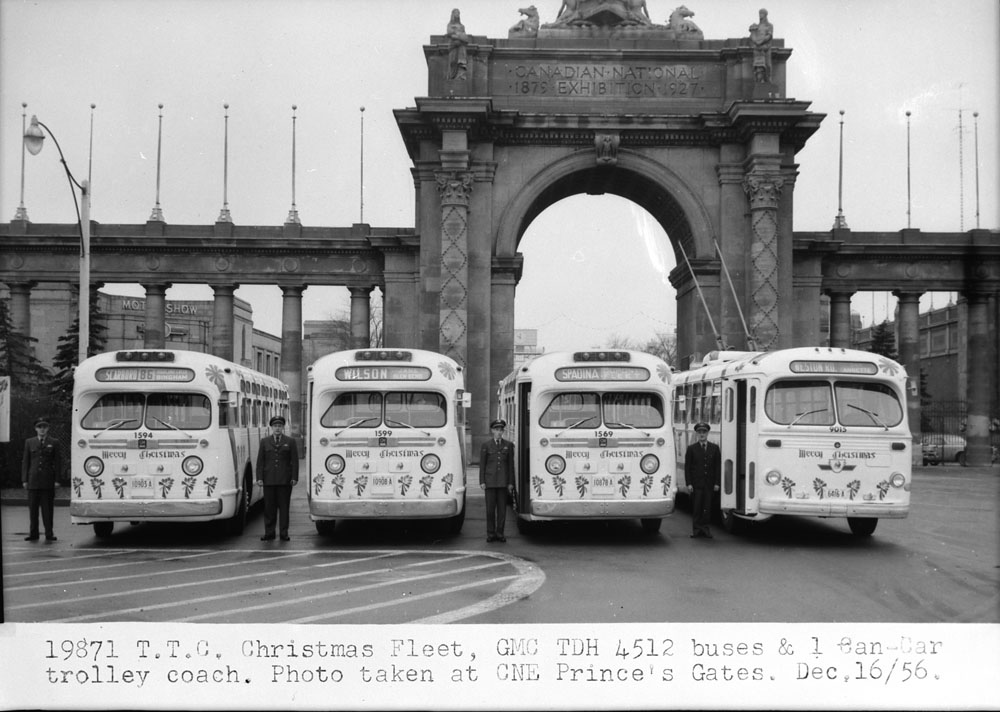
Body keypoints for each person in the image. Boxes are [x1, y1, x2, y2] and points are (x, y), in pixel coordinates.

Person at [255, 415, 298, 541]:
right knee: (269, 508)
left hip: (285, 480)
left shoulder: (290, 441)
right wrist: (259, 478)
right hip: (268, 481)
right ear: (271, 427)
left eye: (279, 426)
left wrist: (294, 477)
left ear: (283, 427)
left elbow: (294, 461)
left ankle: (284, 533)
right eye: (275, 426)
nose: (277, 428)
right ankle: (269, 533)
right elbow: (260, 462)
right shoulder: (265, 441)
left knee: (284, 508)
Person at [21, 417, 65, 542]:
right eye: (39, 427)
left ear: (48, 428)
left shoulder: (54, 442)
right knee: (33, 510)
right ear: (35, 428)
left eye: (44, 427)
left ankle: (49, 533)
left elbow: (57, 462)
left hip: (47, 481)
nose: (42, 429)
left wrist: (57, 480)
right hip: (33, 480)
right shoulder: (29, 442)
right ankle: (33, 533)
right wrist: (24, 479)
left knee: (47, 510)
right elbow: (26, 462)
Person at [479, 419, 515, 543]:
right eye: (497, 430)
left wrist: (511, 483)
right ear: (492, 431)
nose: (499, 432)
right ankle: (490, 533)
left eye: (501, 430)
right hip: (490, 482)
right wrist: (482, 481)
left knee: (502, 510)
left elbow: (511, 465)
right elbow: (482, 465)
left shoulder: (508, 445)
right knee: (490, 510)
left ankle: (500, 533)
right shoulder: (486, 445)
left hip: (503, 483)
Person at [684, 421, 720, 539]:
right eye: (699, 432)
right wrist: (689, 483)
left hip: (709, 484)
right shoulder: (691, 449)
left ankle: (705, 529)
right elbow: (687, 467)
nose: (702, 434)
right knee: (697, 507)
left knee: (707, 507)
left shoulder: (714, 448)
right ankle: (696, 530)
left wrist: (717, 483)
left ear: (708, 433)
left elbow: (717, 467)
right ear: (696, 434)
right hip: (696, 484)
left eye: (704, 432)